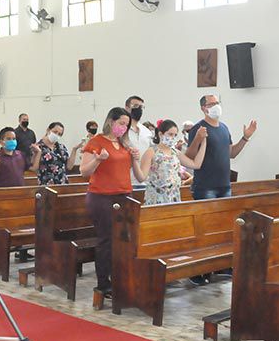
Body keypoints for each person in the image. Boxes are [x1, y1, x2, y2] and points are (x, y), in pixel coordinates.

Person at [80, 108, 137, 297]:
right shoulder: (96, 142)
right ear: (111, 121)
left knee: (123, 240)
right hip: (102, 197)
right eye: (121, 123)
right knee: (106, 240)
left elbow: (126, 168)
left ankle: (120, 278)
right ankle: (103, 284)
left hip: (124, 195)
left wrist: (134, 156)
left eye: (126, 125)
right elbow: (84, 171)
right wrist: (98, 159)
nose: (124, 127)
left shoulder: (123, 143)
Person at [185, 94, 257, 200]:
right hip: (205, 187)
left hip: (224, 186)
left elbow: (231, 153)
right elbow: (189, 157)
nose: (216, 106)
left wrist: (245, 138)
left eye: (217, 103)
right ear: (203, 108)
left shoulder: (224, 128)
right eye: (211, 104)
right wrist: (197, 138)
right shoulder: (198, 129)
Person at [135, 119, 208, 205]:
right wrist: (134, 160)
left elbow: (196, 164)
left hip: (173, 197)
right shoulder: (151, 152)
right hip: (157, 197)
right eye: (170, 134)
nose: (172, 138)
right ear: (161, 134)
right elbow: (141, 178)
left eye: (175, 135)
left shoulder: (175, 152)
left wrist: (203, 142)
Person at [124, 96, 153, 187]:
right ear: (127, 108)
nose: (139, 109)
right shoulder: (121, 130)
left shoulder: (147, 132)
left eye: (141, 107)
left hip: (145, 181)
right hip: (125, 180)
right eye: (136, 106)